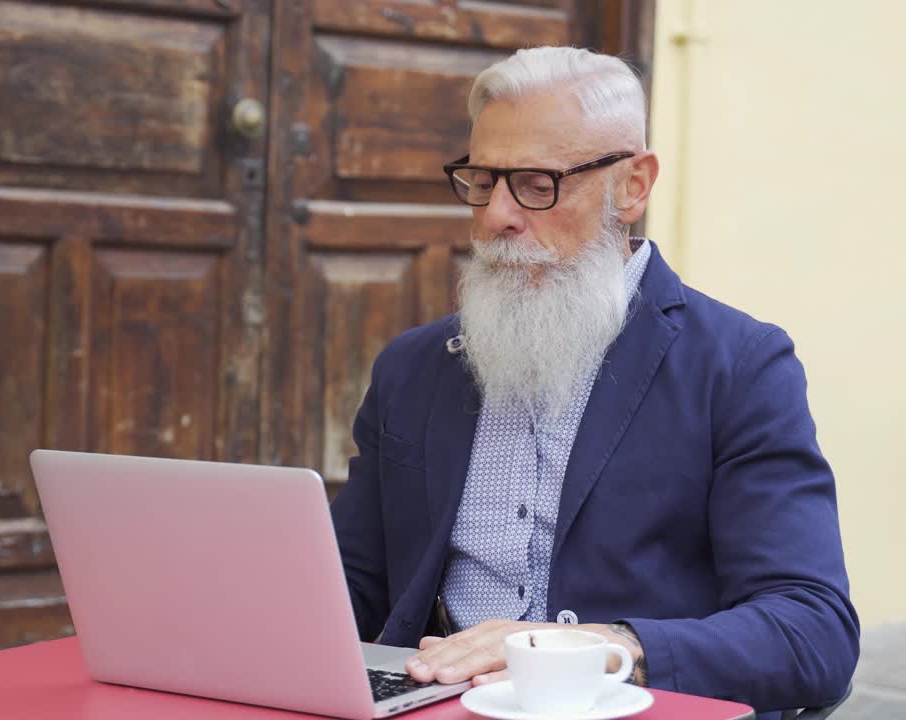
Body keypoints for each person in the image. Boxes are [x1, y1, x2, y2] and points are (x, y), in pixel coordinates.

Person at [330, 46, 858, 718]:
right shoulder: (413, 366)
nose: (496, 216)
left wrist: (605, 646)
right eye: (481, 179)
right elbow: (346, 589)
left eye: (536, 183)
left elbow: (813, 633)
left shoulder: (739, 367)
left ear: (633, 186)